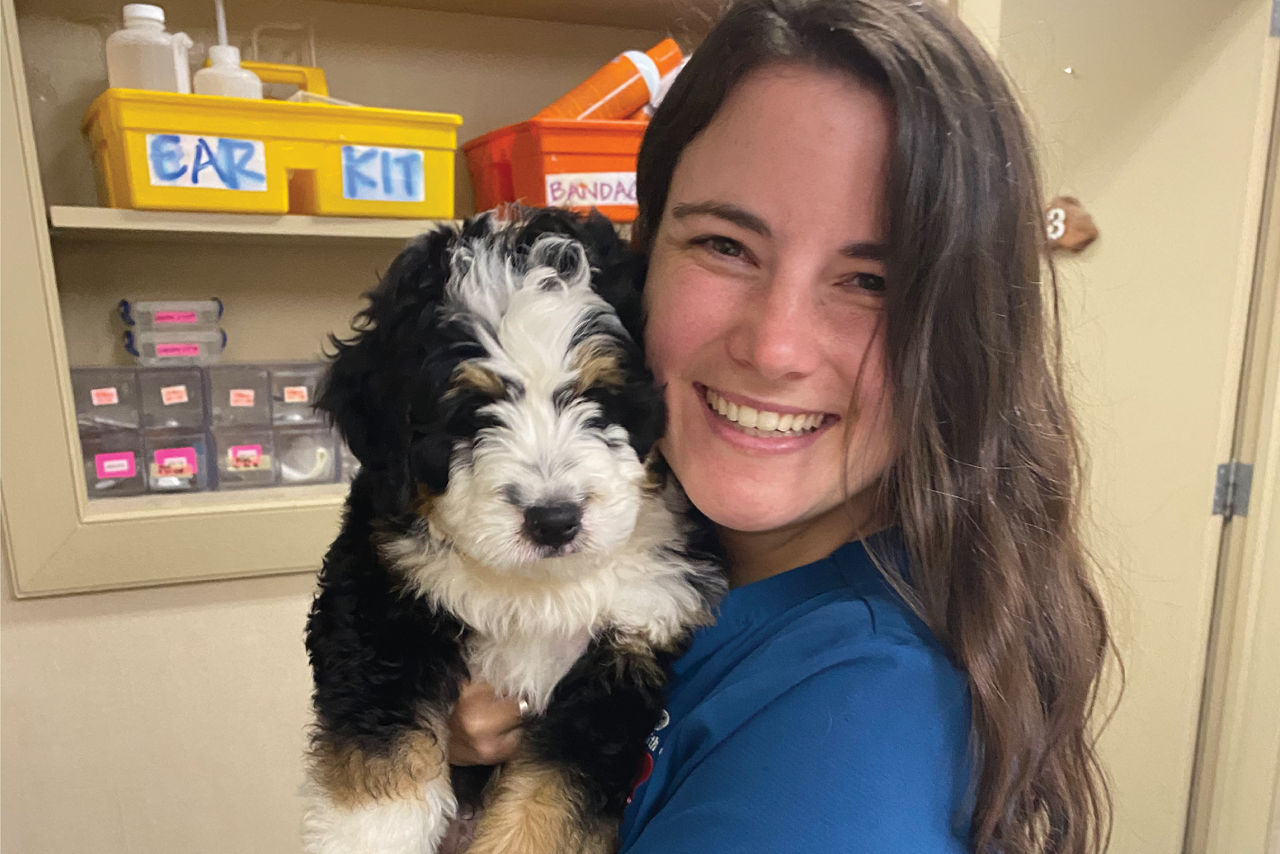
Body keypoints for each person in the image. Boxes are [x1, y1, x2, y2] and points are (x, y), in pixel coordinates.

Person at [449, 0, 1115, 851]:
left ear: (961, 340)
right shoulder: (656, 555)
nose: (774, 347)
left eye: (871, 282)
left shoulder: (854, 719)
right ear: (644, 257)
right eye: (727, 245)